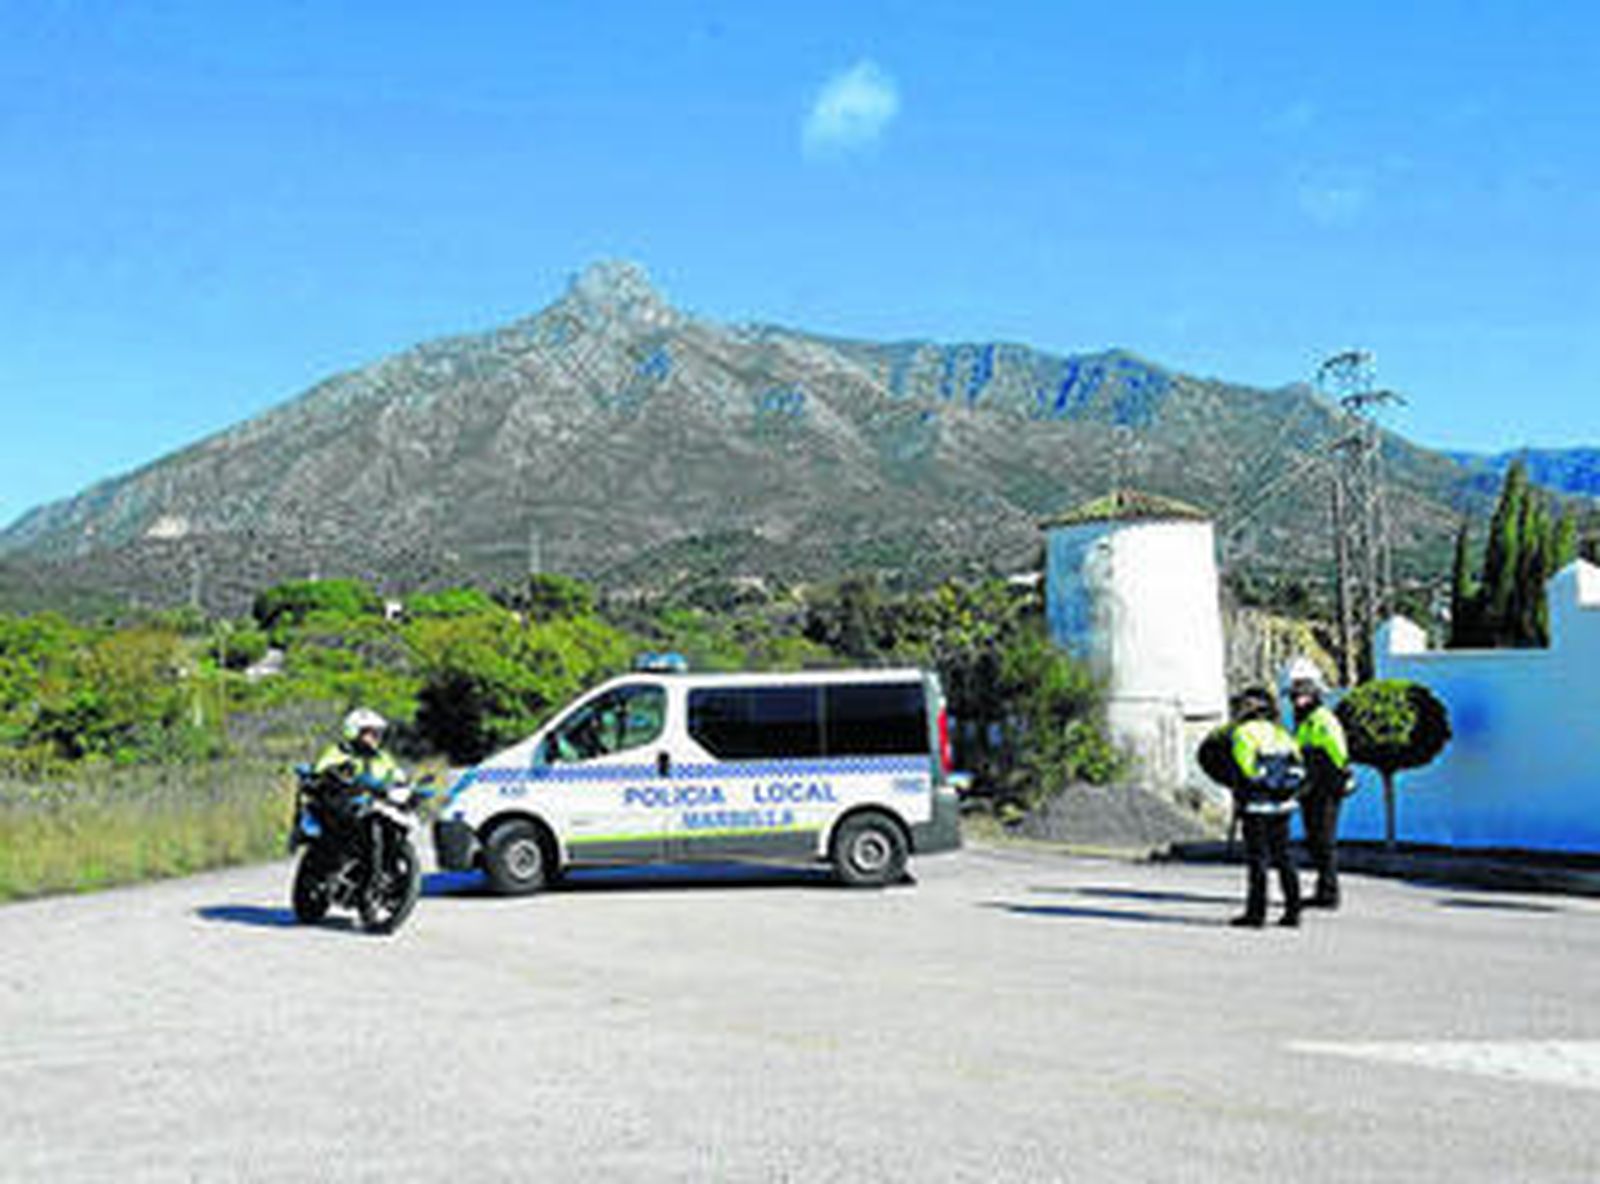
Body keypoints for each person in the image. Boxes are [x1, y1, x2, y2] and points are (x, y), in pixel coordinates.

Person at [1229, 686, 1304, 929]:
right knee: (1284, 858)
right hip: (1283, 805)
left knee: (1258, 861)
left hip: (1256, 806)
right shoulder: (1281, 733)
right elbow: (1297, 766)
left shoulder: (1243, 734)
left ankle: (1256, 914)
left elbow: (1246, 769)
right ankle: (1293, 912)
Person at [1282, 658, 1351, 910]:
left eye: (1302, 696)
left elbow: (1338, 752)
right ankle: (1324, 888)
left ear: (1314, 695)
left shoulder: (1322, 718)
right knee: (1315, 839)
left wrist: (1332, 775)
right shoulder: (1303, 720)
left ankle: (1329, 893)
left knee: (1324, 840)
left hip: (1326, 786)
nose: (1297, 700)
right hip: (1311, 787)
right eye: (1295, 696)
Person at [314, 707, 405, 796]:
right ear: (355, 731)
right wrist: (338, 771)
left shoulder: (381, 756)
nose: (375, 736)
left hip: (376, 803)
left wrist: (398, 782)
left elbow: (396, 774)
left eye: (377, 732)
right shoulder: (340, 751)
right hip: (344, 801)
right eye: (370, 732)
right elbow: (320, 769)